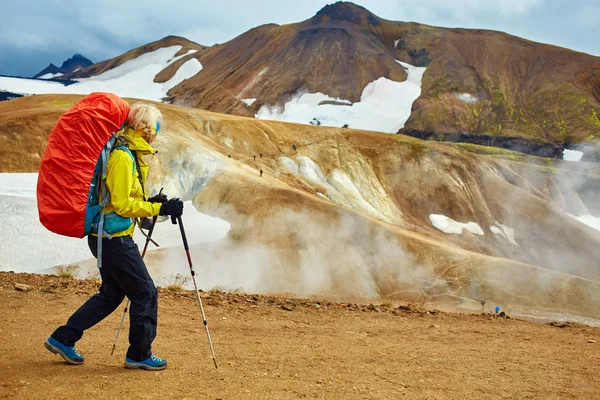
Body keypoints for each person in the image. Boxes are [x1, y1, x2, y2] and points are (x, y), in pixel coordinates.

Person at [44, 103, 183, 371]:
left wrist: (151, 201)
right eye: (154, 129)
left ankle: (63, 338)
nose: (155, 134)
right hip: (113, 239)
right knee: (145, 292)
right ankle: (139, 355)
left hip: (106, 237)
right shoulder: (122, 157)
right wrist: (159, 208)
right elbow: (121, 205)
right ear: (145, 129)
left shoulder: (126, 153)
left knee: (111, 295)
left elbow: (122, 198)